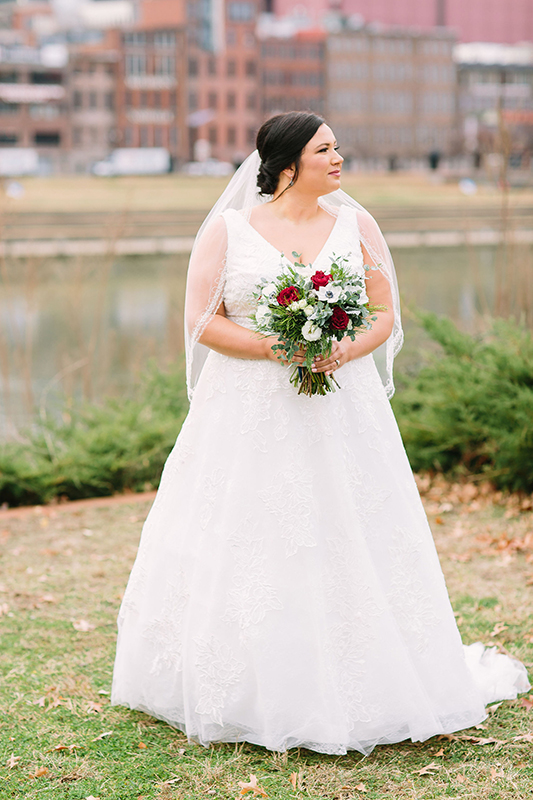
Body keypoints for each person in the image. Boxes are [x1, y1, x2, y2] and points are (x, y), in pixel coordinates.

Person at [111, 112, 529, 756]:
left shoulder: (356, 226)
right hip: (247, 409)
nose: (339, 158)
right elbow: (201, 320)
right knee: (252, 532)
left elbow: (386, 314)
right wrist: (280, 348)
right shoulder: (229, 231)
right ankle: (248, 682)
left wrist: (342, 349)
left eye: (337, 147)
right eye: (324, 149)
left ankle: (368, 672)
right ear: (285, 164)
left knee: (347, 525)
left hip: (343, 405)